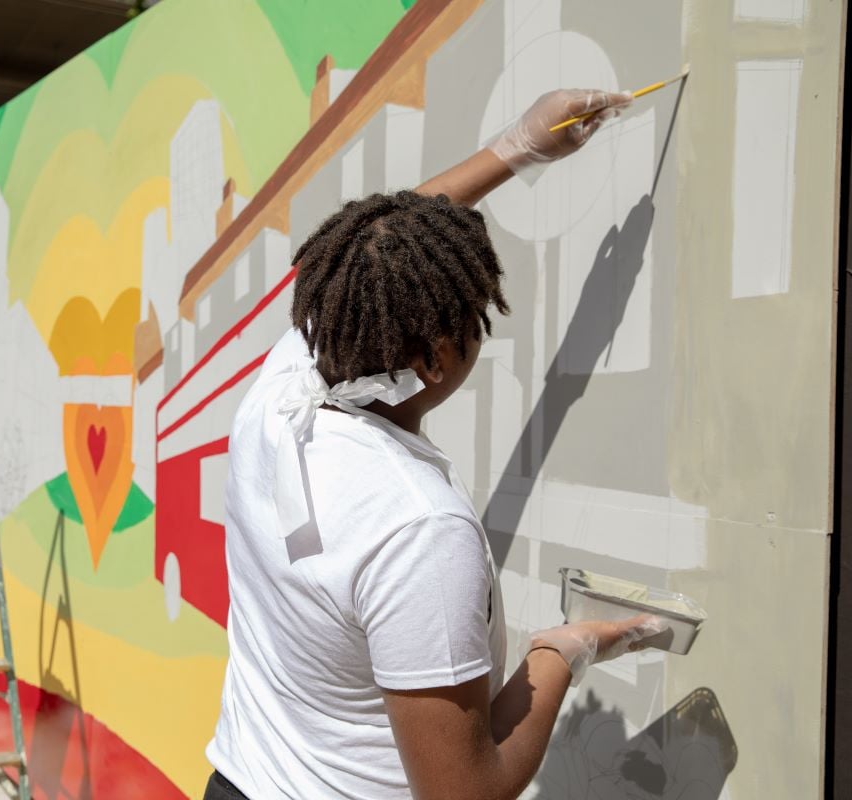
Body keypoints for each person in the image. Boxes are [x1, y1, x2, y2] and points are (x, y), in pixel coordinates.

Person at [203, 89, 663, 800]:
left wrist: (517, 147)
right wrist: (562, 654)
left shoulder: (286, 383)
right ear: (436, 362)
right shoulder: (417, 527)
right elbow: (463, 793)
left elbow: (377, 252)